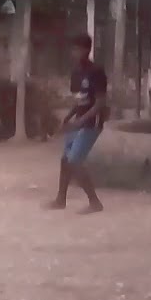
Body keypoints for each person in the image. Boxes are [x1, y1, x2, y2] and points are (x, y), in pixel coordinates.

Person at [46, 34, 106, 214]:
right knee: (65, 160)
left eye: (77, 49)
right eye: (73, 49)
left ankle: (95, 202)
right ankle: (60, 199)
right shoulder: (76, 72)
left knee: (75, 161)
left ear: (87, 50)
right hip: (78, 122)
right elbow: (79, 100)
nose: (74, 52)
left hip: (91, 123)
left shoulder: (96, 71)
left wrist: (80, 120)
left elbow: (100, 103)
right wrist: (69, 116)